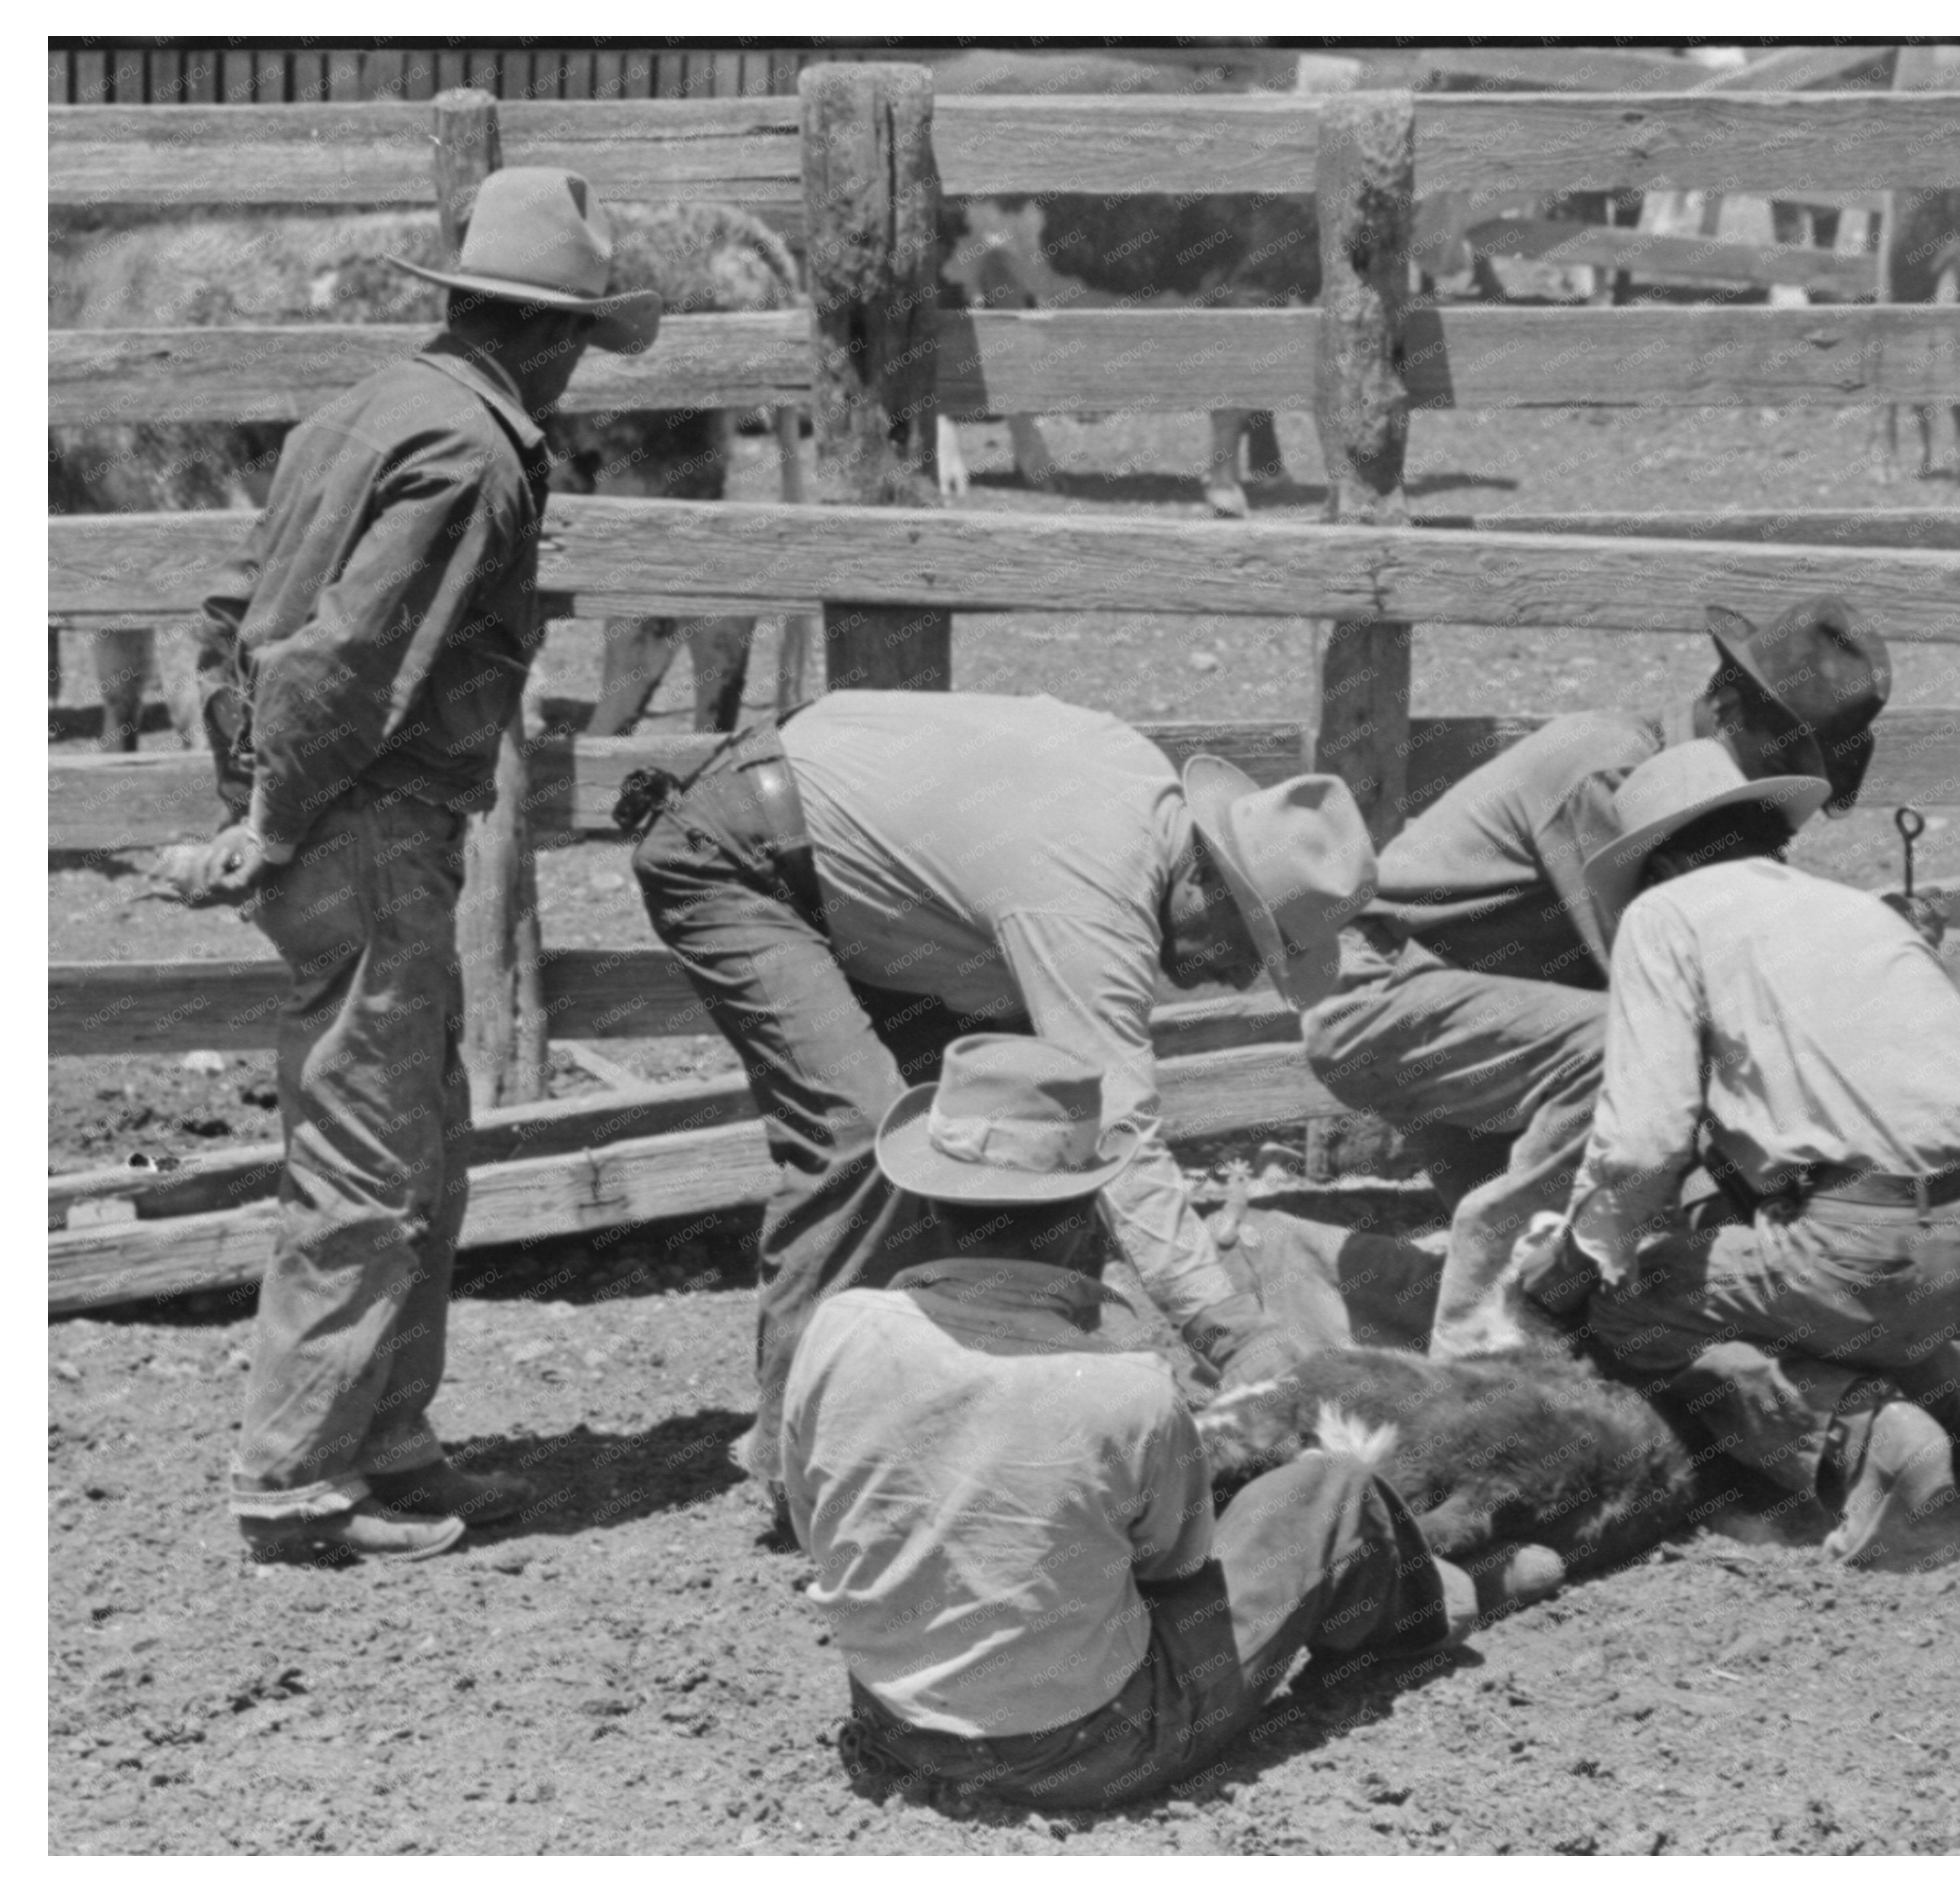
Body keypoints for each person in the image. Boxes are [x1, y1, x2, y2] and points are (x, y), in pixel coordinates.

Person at [159, 170, 666, 1564]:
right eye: (575, 347)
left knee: (411, 1135)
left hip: (344, 817)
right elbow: (345, 659)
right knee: (373, 1150)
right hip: (373, 824)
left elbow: (231, 612)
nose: (574, 373)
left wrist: (251, 794)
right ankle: (301, 1472)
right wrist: (273, 817)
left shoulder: (365, 412)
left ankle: (385, 1436)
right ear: (550, 337)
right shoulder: (474, 456)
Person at [782, 1034, 1565, 1809]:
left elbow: (818, 1514)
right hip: (1086, 1749)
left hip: (892, 1718)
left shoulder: (839, 1327)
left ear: (926, 1204)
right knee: (1328, 1494)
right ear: (1089, 1217)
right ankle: (1440, 1605)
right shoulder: (1127, 1388)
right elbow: (1174, 1566)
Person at [629, 695, 1372, 1500]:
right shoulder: (1089, 896)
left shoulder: (1131, 817)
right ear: (1204, 881)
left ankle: (1006, 1409)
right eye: (1245, 945)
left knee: (1031, 1133)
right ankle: (800, 1471)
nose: (1236, 976)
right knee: (863, 1136)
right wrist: (1229, 1331)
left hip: (865, 878)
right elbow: (1125, 1136)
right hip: (740, 859)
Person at [1302, 597, 1893, 1359]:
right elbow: (1671, 1000)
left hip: (1495, 1022)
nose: (1779, 810)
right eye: (1778, 769)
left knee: (1585, 1294)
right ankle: (1478, 1351)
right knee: (1636, 1068)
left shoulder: (1691, 798)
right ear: (1723, 706)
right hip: (1382, 999)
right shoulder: (1614, 774)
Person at [1526, 739, 1960, 1569]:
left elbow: (1645, 1139)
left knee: (1633, 1306)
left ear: (1658, 866)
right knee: (1801, 1243)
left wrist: (1587, 1257)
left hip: (1876, 1254)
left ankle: (1868, 1436)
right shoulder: (1855, 908)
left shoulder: (1665, 916)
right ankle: (1959, 1408)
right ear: (1765, 831)